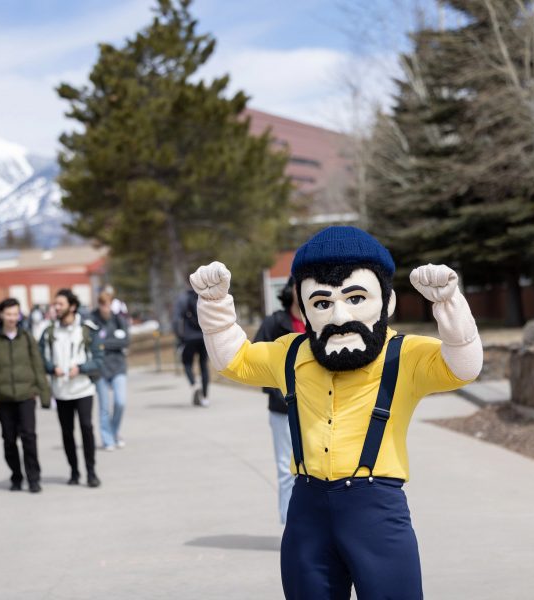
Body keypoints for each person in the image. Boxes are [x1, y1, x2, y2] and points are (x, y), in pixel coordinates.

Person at [189, 226, 482, 599]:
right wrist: (214, 307)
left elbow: (464, 366)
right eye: (323, 303)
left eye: (356, 297)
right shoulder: (291, 353)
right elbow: (234, 360)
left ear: (386, 302)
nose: (339, 315)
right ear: (305, 308)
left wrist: (450, 306)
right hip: (307, 509)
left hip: (375, 507)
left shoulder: (404, 354)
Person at [0, 298, 51, 493]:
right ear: (1, 315)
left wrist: (44, 393)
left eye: (15, 314)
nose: (12, 318)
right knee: (9, 440)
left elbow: (37, 364)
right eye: (9, 314)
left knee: (29, 437)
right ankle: (16, 476)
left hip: (26, 395)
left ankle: (34, 477)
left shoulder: (26, 337)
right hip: (4, 398)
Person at [253, 277, 305, 524]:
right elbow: (255, 359)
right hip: (283, 410)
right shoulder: (275, 322)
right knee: (287, 470)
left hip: (319, 410)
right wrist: (279, 394)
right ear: (291, 289)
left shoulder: (324, 318)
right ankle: (290, 528)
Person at [39, 289, 103, 487]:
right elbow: (40, 358)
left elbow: (99, 361)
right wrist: (52, 368)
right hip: (61, 391)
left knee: (86, 428)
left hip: (83, 389)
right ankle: (74, 472)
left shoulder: (86, 329)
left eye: (60, 304)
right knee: (67, 432)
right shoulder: (49, 331)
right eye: (55, 304)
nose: (56, 308)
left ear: (72, 306)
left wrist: (82, 368)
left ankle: (91, 472)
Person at [90, 291, 130, 451]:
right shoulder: (92, 320)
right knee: (104, 407)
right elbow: (94, 342)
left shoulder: (118, 319)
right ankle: (108, 439)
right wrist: (112, 342)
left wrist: (104, 344)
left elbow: (125, 341)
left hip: (118, 366)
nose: (105, 308)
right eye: (102, 304)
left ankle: (114, 431)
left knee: (120, 402)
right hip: (100, 369)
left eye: (108, 304)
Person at [172, 287, 209, 407]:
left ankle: (194, 384)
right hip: (204, 336)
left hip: (189, 338)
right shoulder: (204, 297)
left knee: (187, 363)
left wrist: (179, 336)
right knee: (203, 365)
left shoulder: (183, 298)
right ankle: (205, 396)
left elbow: (176, 319)